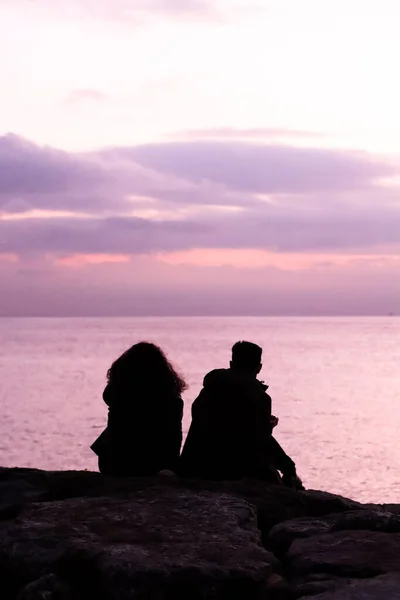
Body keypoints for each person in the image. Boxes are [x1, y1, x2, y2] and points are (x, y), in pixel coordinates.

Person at [179, 341, 302, 487]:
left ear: (231, 363)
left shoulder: (211, 388)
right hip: (234, 470)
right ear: (259, 368)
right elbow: (258, 441)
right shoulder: (259, 397)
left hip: (196, 464)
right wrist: (288, 466)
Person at [91, 342, 185, 477]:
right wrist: (170, 466)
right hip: (153, 461)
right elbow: (174, 436)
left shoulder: (119, 393)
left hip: (115, 461)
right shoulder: (171, 398)